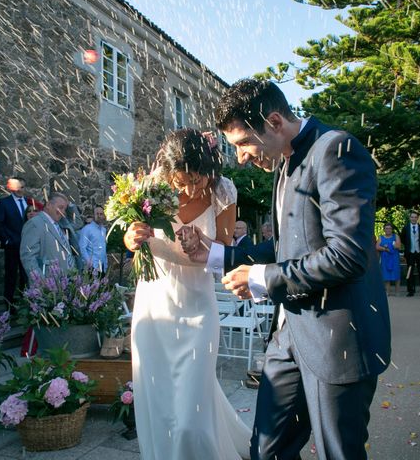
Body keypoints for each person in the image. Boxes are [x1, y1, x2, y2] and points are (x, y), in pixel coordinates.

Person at [180, 79, 390, 460]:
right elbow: (286, 247)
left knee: (338, 453)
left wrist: (261, 279)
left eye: (243, 143)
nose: (240, 157)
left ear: (274, 121)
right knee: (265, 451)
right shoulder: (282, 164)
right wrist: (216, 256)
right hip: (287, 337)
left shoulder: (335, 149)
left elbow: (348, 255)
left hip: (336, 339)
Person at [123, 128, 250, 460]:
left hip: (197, 306)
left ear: (210, 168)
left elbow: (222, 253)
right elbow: (131, 234)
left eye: (196, 179)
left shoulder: (223, 190)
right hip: (154, 304)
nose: (189, 188)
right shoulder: (152, 187)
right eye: (181, 181)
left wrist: (202, 246)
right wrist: (132, 238)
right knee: (160, 400)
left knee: (191, 414)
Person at [19, 192, 77, 277]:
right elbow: (28, 258)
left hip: (66, 282)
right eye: (60, 208)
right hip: (49, 283)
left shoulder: (59, 224)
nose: (63, 212)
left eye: (64, 209)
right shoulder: (34, 223)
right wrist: (42, 283)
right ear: (49, 205)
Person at [0, 177, 29, 314]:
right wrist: (6, 240)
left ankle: (25, 303)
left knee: (25, 275)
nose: (20, 190)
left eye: (22, 187)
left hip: (28, 246)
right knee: (11, 275)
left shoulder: (29, 203)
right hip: (12, 245)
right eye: (18, 187)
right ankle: (9, 305)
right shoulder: (4, 203)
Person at [400, 211, 420, 297]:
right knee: (410, 271)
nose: (413, 219)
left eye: (415, 217)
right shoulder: (405, 228)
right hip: (410, 253)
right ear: (410, 218)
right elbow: (403, 239)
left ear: (417, 218)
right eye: (412, 217)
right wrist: (408, 247)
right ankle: (410, 291)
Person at [78, 205, 108, 273]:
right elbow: (82, 247)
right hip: (92, 267)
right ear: (93, 215)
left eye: (101, 214)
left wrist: (105, 264)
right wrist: (89, 263)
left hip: (102, 267)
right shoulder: (87, 229)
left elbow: (103, 248)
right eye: (97, 214)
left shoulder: (103, 230)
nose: (99, 216)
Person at [376, 222, 401, 296]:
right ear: (384, 229)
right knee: (386, 275)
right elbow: (377, 247)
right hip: (385, 258)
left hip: (394, 258)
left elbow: (398, 246)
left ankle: (397, 291)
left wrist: (391, 245)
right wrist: (385, 248)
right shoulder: (381, 237)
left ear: (392, 229)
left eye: (390, 228)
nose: (388, 230)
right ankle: (388, 291)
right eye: (386, 228)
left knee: (396, 274)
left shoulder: (395, 236)